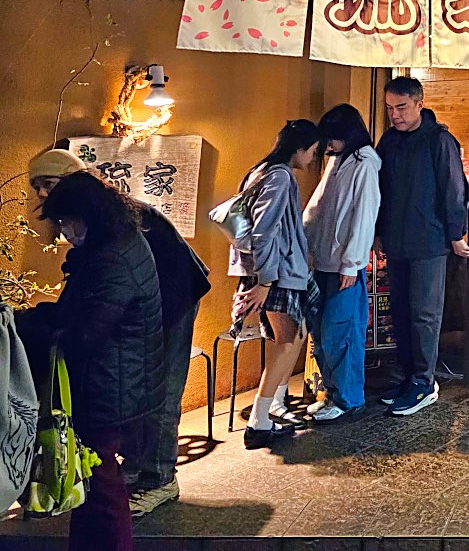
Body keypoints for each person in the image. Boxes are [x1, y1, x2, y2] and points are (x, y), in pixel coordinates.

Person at [27, 148, 211, 518]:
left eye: (49, 184)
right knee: (132, 387)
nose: (44, 195)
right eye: (37, 187)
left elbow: (145, 275)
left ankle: (160, 478)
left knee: (159, 391)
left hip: (175, 300)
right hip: (142, 304)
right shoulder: (99, 214)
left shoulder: (118, 215)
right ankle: (135, 466)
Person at [22, 171, 164, 551]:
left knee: (101, 485)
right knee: (91, 480)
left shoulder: (112, 259)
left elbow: (84, 334)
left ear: (87, 214)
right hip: (115, 378)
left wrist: (28, 327)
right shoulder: (116, 242)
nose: (63, 230)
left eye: (66, 221)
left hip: (109, 385)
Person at [375, 76, 469, 416]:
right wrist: (377, 233)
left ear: (419, 103)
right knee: (400, 312)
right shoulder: (388, 141)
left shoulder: (439, 140)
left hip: (429, 242)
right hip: (396, 240)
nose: (395, 115)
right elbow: (379, 191)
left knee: (424, 314)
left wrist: (456, 234)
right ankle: (407, 378)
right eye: (389, 108)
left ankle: (423, 382)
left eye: (401, 107)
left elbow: (454, 190)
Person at [229, 119, 320, 449]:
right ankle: (260, 421)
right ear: (299, 149)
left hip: (272, 272)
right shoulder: (280, 177)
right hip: (277, 275)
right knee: (287, 340)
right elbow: (264, 232)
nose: (312, 159)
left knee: (291, 335)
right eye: (311, 152)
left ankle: (273, 406)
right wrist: (266, 280)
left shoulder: (261, 171)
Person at [303, 104, 381, 423]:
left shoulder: (366, 163)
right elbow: (317, 207)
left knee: (341, 332)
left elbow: (364, 215)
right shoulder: (337, 160)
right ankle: (334, 394)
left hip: (344, 265)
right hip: (324, 259)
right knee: (322, 332)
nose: (328, 146)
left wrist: (352, 263)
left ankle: (348, 399)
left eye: (333, 139)